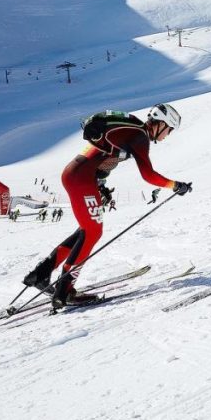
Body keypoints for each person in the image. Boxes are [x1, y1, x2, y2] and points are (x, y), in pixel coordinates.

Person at [23, 103, 192, 309]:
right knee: (93, 231)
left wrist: (100, 184)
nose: (167, 135)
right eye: (169, 130)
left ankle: (41, 274)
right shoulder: (139, 136)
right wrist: (175, 185)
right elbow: (148, 175)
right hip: (82, 179)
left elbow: (100, 155)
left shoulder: (131, 130)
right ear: (161, 124)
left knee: (86, 230)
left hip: (76, 174)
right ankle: (64, 291)